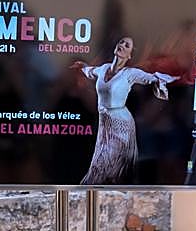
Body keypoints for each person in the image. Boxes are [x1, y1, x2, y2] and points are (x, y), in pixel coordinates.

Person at [72, 36, 176, 185]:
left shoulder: (131, 73)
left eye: (127, 45)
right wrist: (82, 66)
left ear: (129, 55)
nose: (122, 45)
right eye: (121, 42)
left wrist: (177, 77)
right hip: (105, 123)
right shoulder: (103, 69)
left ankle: (94, 191)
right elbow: (91, 71)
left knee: (106, 163)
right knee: (103, 164)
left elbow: (151, 78)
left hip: (121, 123)